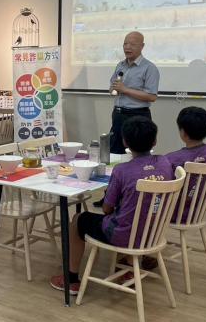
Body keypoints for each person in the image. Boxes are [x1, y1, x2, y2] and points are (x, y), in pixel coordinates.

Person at [50, 116, 174, 296]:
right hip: (154, 231)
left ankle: (71, 279)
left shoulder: (122, 170)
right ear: (155, 141)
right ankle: (129, 266)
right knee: (134, 214)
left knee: (78, 219)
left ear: (125, 142)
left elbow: (107, 208)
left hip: (125, 235)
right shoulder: (164, 162)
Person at [108, 31, 160, 154]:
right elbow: (112, 88)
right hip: (118, 114)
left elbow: (152, 96)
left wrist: (125, 89)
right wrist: (114, 89)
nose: (127, 47)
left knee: (138, 153)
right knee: (115, 151)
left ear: (142, 46)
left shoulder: (149, 68)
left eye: (132, 44)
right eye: (125, 44)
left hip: (138, 116)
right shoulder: (120, 65)